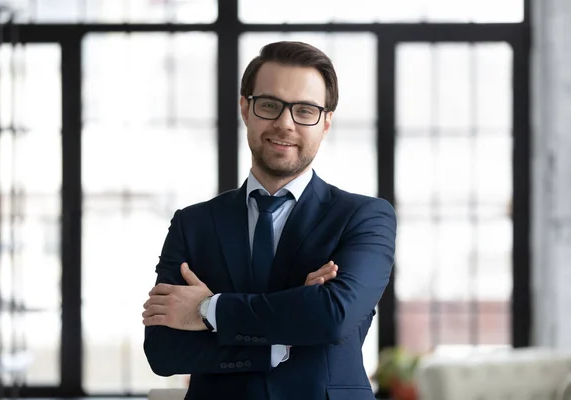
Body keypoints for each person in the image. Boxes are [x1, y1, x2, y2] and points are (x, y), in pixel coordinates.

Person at [142, 41, 397, 400]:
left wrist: (207, 308)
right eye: (269, 106)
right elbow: (163, 350)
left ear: (325, 122)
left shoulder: (365, 218)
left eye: (305, 110)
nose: (285, 124)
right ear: (245, 109)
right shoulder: (193, 224)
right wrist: (283, 335)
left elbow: (332, 316)